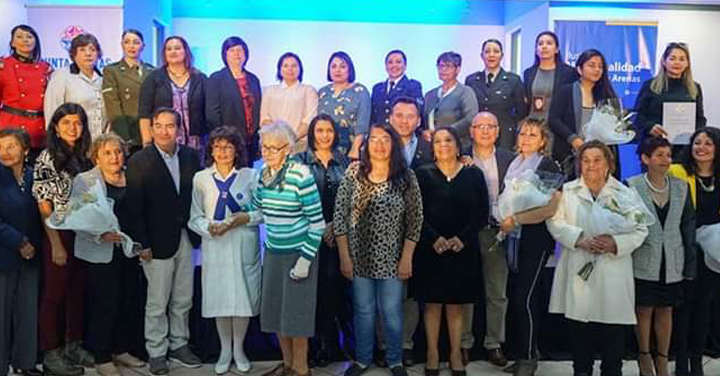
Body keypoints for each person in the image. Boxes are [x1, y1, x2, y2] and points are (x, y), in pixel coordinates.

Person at [548, 141, 649, 376]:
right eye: (585, 160)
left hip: (612, 274)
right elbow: (554, 222)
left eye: (597, 160)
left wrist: (616, 243)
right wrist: (579, 239)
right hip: (578, 271)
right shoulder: (569, 191)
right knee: (580, 351)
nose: (591, 165)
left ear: (608, 164)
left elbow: (641, 229)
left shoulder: (624, 193)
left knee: (613, 353)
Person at [334, 123, 423, 376]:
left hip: (393, 259)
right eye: (374, 139)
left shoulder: (406, 176)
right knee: (363, 311)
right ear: (366, 143)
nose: (380, 144)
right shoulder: (353, 172)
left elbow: (415, 220)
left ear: (394, 143)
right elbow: (340, 216)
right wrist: (344, 256)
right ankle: (363, 360)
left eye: (385, 139)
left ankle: (394, 360)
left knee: (392, 312)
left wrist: (407, 258)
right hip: (358, 257)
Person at [126, 107, 202, 375]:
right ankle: (156, 351)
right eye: (159, 125)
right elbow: (134, 206)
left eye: (170, 126)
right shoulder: (138, 160)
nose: (164, 131)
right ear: (152, 128)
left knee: (184, 298)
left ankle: (179, 345)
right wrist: (141, 243)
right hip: (155, 243)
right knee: (157, 301)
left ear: (179, 130)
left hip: (187, 237)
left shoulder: (192, 157)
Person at [251, 121, 325, 376]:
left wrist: (305, 260)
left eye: (273, 148)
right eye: (264, 147)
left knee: (296, 317)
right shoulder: (262, 174)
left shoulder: (301, 175)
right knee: (275, 314)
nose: (267, 152)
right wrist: (230, 219)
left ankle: (302, 369)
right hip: (273, 254)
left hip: (299, 255)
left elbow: (317, 224)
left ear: (288, 149)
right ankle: (287, 365)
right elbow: (257, 210)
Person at [414, 126, 489, 376]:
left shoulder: (473, 174)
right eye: (437, 141)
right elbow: (415, 213)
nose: (443, 145)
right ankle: (432, 353)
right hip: (430, 249)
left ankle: (456, 353)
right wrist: (433, 239)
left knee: (456, 306)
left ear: (458, 146)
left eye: (448, 140)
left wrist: (461, 239)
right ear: (432, 147)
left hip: (462, 249)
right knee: (432, 305)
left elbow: (481, 213)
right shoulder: (421, 174)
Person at [188, 126, 261, 375]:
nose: (222, 151)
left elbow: (263, 212)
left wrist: (245, 219)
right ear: (210, 150)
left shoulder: (251, 176)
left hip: (242, 242)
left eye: (228, 146)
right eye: (217, 146)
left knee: (242, 300)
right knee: (220, 300)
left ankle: (239, 349)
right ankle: (224, 350)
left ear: (237, 150)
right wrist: (209, 227)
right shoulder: (201, 178)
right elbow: (194, 216)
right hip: (216, 245)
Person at [73, 133, 145, 376]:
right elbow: (77, 219)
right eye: (107, 153)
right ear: (96, 157)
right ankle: (103, 356)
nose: (114, 157)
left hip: (128, 252)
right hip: (101, 253)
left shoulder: (132, 176)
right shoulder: (85, 181)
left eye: (117, 151)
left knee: (127, 301)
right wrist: (100, 235)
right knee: (105, 304)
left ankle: (122, 350)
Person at [32, 103, 94, 376]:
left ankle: (73, 344)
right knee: (54, 295)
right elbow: (44, 203)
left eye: (78, 122)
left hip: (83, 233)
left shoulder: (84, 157)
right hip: (58, 232)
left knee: (77, 292)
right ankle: (51, 353)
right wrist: (55, 242)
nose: (73, 127)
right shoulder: (48, 156)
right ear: (55, 127)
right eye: (66, 122)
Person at [627, 136, 695, 376]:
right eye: (659, 155)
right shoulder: (631, 185)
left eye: (668, 155)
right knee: (644, 309)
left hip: (673, 259)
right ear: (646, 159)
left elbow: (687, 225)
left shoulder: (681, 186)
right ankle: (644, 355)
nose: (666, 160)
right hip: (644, 258)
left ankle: (663, 359)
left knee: (666, 309)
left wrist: (689, 262)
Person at [498, 119, 562, 376]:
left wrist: (517, 219)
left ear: (543, 141)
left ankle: (529, 358)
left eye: (532, 135)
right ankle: (524, 351)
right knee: (518, 297)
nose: (525, 138)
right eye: (522, 133)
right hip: (515, 238)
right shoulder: (514, 163)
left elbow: (551, 207)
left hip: (535, 238)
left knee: (525, 298)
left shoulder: (547, 165)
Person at [375, 96, 433, 368]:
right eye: (399, 115)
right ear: (390, 117)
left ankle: (405, 344)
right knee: (382, 291)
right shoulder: (375, 146)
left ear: (419, 120)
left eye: (410, 116)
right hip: (380, 232)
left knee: (409, 291)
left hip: (417, 228)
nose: (404, 120)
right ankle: (383, 344)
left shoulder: (429, 147)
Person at [296, 114, 351, 367]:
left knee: (335, 291)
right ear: (312, 134)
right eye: (319, 130)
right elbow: (295, 201)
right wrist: (319, 226)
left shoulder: (346, 162)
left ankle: (333, 344)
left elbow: (352, 199)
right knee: (312, 291)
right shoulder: (299, 162)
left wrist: (334, 226)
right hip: (309, 236)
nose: (325, 135)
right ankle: (313, 345)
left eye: (329, 130)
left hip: (338, 236)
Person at [462, 111, 515, 367]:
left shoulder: (510, 159)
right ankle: (463, 343)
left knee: (497, 292)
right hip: (467, 233)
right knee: (466, 290)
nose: (485, 131)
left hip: (498, 232)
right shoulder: (459, 156)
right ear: (471, 131)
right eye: (479, 126)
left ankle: (494, 343)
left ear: (498, 131)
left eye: (490, 126)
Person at [669, 127, 720, 376]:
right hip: (684, 248)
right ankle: (680, 361)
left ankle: (697, 360)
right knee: (683, 305)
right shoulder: (678, 172)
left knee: (704, 306)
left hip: (713, 252)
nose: (701, 147)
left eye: (708, 143)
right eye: (697, 143)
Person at [0, 128, 43, 376]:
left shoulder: (34, 175)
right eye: (1, 147)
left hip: (31, 255)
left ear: (25, 150)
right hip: (5, 254)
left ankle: (25, 362)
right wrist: (19, 242)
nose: (5, 152)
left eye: (11, 146)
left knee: (27, 310)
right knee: (2, 315)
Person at [549, 49, 619, 176]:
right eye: (592, 65)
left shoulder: (607, 94)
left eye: (600, 66)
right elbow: (554, 120)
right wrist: (573, 139)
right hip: (572, 154)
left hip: (601, 154)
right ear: (580, 69)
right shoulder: (566, 91)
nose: (597, 69)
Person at [138, 36, 207, 152]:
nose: (173, 52)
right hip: (164, 142)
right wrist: (147, 144)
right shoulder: (153, 78)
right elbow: (144, 114)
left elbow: (208, 111)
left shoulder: (200, 78)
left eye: (177, 48)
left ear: (186, 51)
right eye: (168, 49)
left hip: (196, 144)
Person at [634, 43, 706, 145]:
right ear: (664, 61)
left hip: (685, 146)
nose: (677, 62)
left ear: (687, 63)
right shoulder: (650, 85)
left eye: (682, 59)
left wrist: (696, 135)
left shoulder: (695, 88)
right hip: (654, 145)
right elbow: (637, 115)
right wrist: (650, 127)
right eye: (672, 58)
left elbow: (700, 118)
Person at [0, 25, 53, 159]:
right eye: (19, 37)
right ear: (12, 43)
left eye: (29, 37)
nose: (25, 40)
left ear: (36, 42)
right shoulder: (3, 66)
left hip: (38, 130)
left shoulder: (45, 68)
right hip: (10, 127)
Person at [207, 37, 262, 164]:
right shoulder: (217, 79)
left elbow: (258, 109)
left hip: (250, 140)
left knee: (247, 178)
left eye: (240, 50)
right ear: (225, 55)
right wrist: (222, 139)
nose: (237, 54)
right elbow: (212, 113)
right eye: (232, 50)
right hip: (227, 141)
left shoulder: (253, 79)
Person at [465, 39, 526, 150]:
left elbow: (521, 111)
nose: (491, 55)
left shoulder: (513, 80)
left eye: (496, 51)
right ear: (482, 55)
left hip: (505, 135)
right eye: (487, 51)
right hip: (479, 134)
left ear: (501, 55)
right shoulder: (472, 80)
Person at [102, 29, 155, 154]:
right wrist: (124, 137)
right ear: (122, 45)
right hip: (128, 134)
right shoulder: (112, 71)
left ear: (143, 46)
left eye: (136, 42)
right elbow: (113, 107)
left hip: (150, 133)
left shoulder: (152, 71)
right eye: (127, 42)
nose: (131, 46)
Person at [44, 33, 104, 140]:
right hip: (73, 141)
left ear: (98, 54)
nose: (88, 54)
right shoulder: (61, 77)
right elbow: (52, 112)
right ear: (73, 54)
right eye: (82, 50)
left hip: (99, 143)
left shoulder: (103, 79)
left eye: (92, 49)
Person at [260, 52, 318, 153]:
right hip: (273, 146)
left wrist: (290, 139)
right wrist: (278, 140)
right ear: (279, 69)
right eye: (285, 66)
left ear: (300, 69)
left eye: (294, 66)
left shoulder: (308, 90)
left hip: (299, 144)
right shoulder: (269, 90)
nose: (290, 69)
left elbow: (309, 120)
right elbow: (264, 119)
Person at [318, 51, 371, 158]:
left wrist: (356, 148)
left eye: (342, 66)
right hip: (323, 145)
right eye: (333, 66)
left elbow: (363, 123)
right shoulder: (323, 92)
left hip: (350, 146)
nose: (337, 70)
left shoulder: (360, 91)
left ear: (349, 69)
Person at [423, 51, 478, 149]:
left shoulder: (465, 92)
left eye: (448, 66)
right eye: (440, 66)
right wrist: (424, 132)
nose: (443, 69)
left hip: (457, 145)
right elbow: (423, 119)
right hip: (431, 146)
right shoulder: (429, 94)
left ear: (458, 69)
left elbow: (470, 118)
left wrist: (447, 132)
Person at [523, 31, 578, 123]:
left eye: (549, 43)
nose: (544, 46)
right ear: (536, 50)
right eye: (540, 44)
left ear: (556, 49)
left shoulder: (569, 73)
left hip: (558, 125)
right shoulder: (528, 73)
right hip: (533, 124)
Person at [370, 50, 423, 126]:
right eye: (390, 62)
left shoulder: (413, 86)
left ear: (405, 66)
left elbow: (417, 112)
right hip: (381, 135)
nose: (394, 65)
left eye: (398, 62)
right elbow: (372, 115)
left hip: (402, 133)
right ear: (386, 66)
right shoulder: (377, 88)